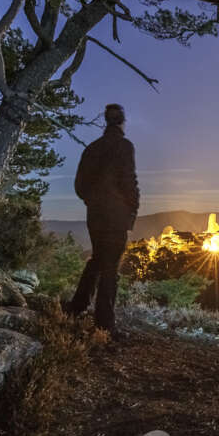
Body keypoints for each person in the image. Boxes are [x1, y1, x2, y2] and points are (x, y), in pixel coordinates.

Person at [65, 103, 139, 335]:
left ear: (106, 121)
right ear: (122, 122)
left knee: (97, 259)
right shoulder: (124, 146)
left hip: (95, 215)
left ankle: (76, 309)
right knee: (110, 267)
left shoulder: (92, 148)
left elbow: (79, 185)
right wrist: (131, 209)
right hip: (116, 215)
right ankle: (104, 325)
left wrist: (92, 201)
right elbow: (129, 180)